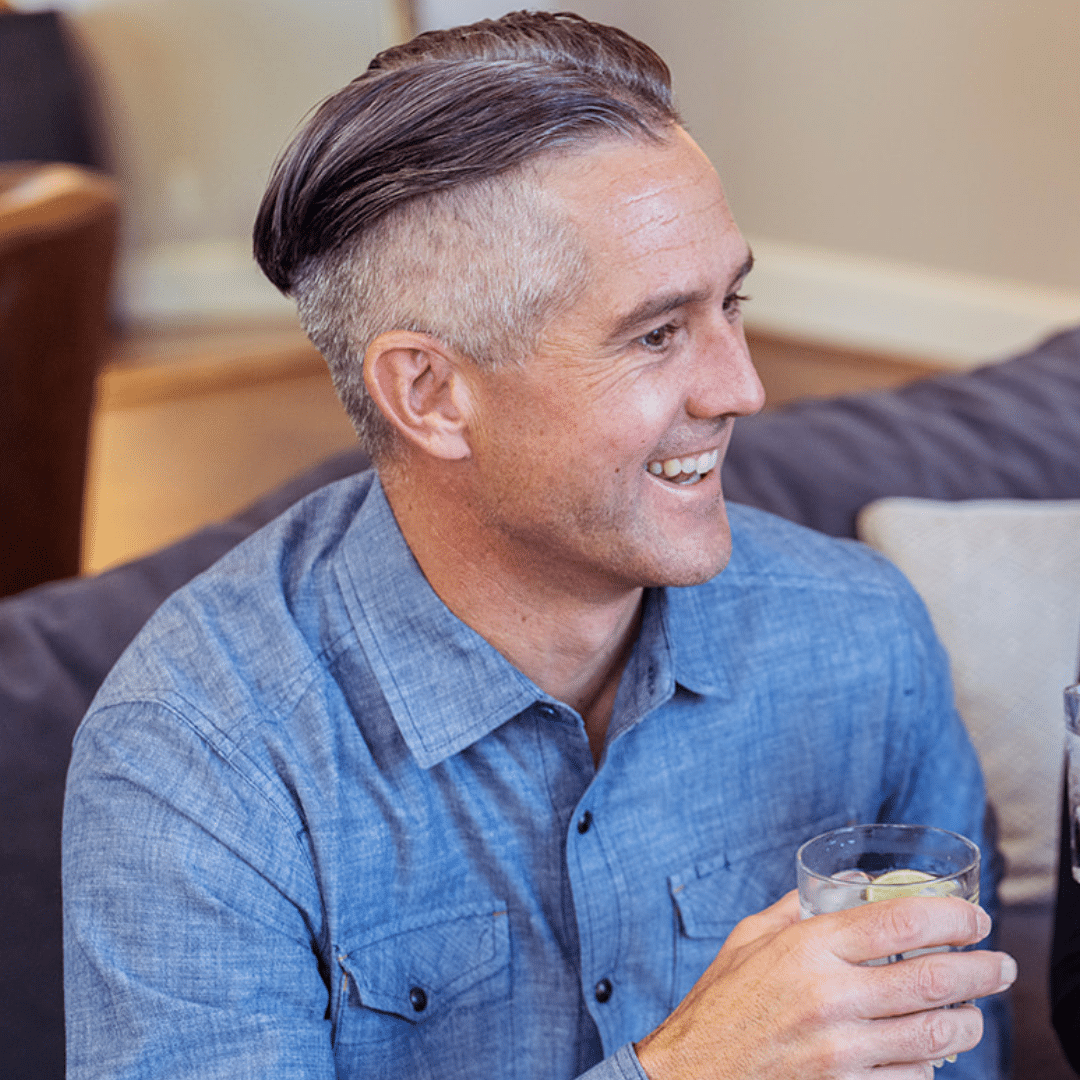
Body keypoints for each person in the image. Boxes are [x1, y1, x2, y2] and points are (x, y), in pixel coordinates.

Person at [63, 12, 1015, 1079]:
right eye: (656, 334)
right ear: (429, 394)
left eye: (730, 303)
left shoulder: (865, 639)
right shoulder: (197, 762)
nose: (741, 387)